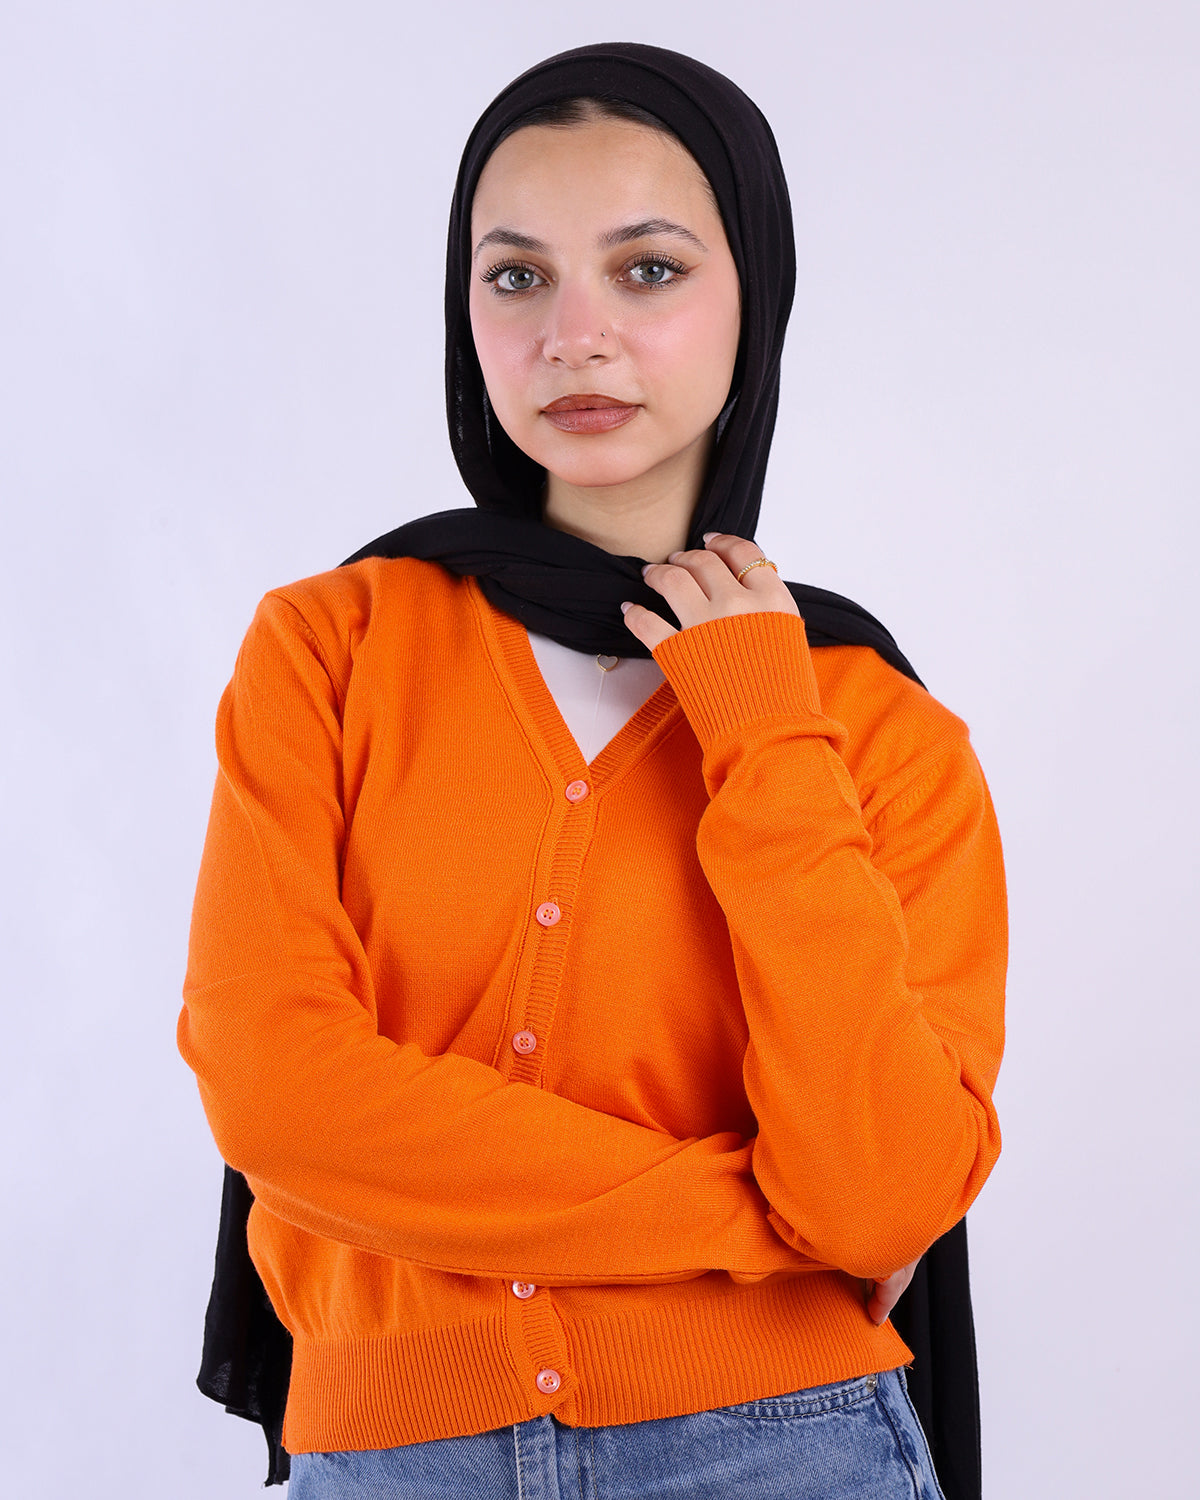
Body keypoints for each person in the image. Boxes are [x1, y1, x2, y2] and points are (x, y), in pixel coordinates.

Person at [179, 41, 1006, 1500]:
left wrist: (759, 725)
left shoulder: (871, 728)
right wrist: (748, 1220)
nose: (573, 335)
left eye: (646, 271)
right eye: (515, 278)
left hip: (789, 1454)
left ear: (757, 293)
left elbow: (879, 1193)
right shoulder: (333, 646)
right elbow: (276, 1095)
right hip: (392, 1455)